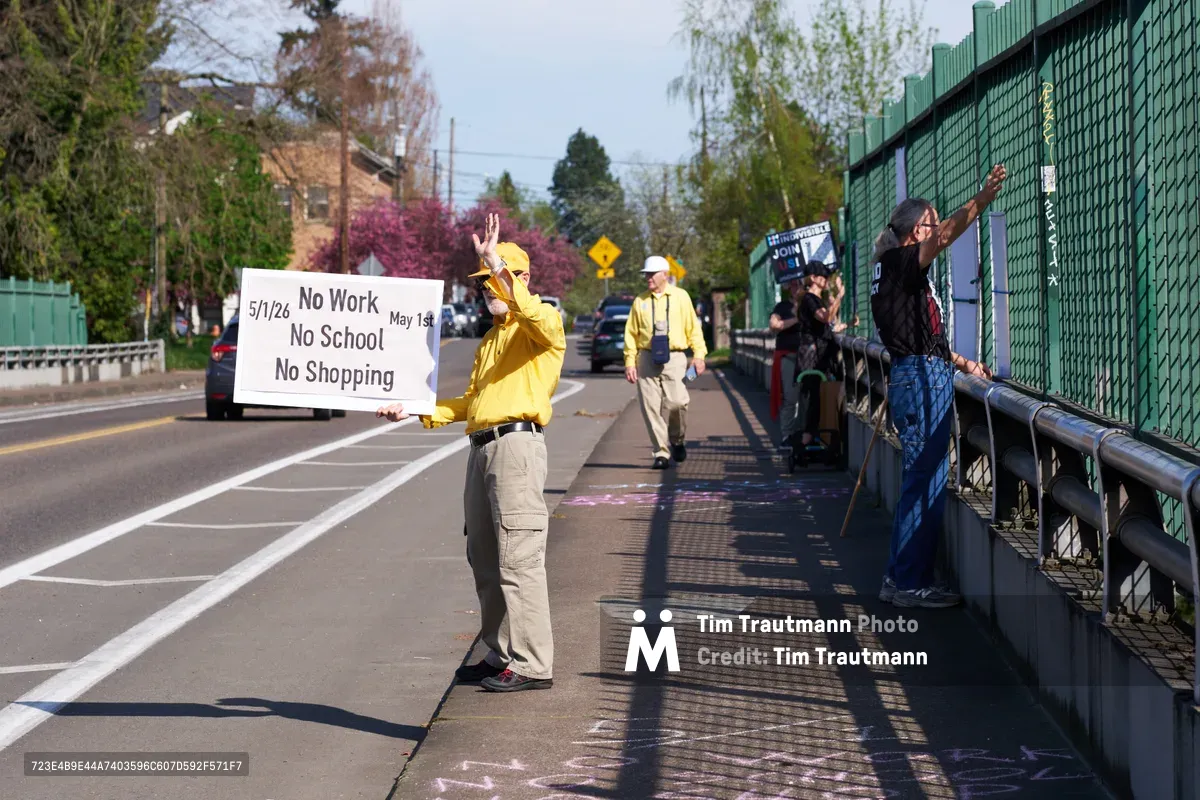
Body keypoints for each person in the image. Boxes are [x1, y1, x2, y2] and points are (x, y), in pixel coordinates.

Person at [376, 213, 566, 692]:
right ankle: (500, 652)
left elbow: (534, 313)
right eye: (482, 285)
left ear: (519, 279)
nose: (485, 291)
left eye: (492, 281)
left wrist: (497, 261)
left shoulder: (540, 325)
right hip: (482, 448)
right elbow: (473, 403)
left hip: (516, 447)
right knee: (484, 554)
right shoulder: (489, 341)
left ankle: (532, 663)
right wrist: (419, 408)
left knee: (519, 557)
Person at [871, 164, 1006, 609]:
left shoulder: (897, 271)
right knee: (925, 484)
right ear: (915, 232)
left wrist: (963, 361)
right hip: (919, 378)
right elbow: (946, 235)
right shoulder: (899, 263)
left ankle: (899, 577)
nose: (937, 228)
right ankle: (911, 583)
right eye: (930, 221)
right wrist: (982, 199)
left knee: (919, 481)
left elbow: (922, 336)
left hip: (918, 371)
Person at [624, 255, 708, 470]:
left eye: (652, 274)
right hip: (647, 357)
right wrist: (630, 362)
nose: (648, 278)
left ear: (665, 275)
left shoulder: (681, 297)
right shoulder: (640, 301)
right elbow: (631, 334)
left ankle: (677, 439)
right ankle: (661, 452)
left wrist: (699, 355)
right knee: (650, 407)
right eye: (646, 274)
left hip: (675, 357)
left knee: (677, 402)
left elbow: (693, 328)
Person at [789, 261, 847, 453]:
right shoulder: (809, 299)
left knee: (819, 399)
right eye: (823, 277)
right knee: (813, 400)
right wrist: (839, 296)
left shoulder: (815, 299)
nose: (827, 280)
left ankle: (815, 439)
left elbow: (828, 322)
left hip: (820, 355)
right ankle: (804, 442)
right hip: (812, 358)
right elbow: (826, 318)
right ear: (813, 278)